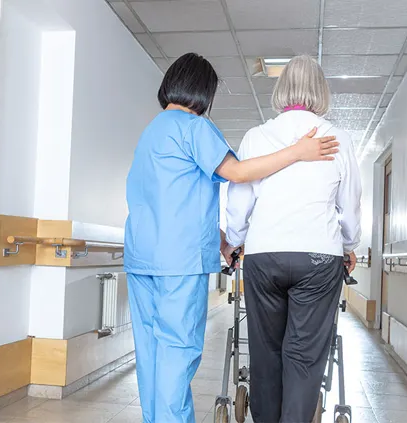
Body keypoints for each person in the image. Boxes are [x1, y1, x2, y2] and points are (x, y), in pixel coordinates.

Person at [124, 52, 340, 423]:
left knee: (151, 355)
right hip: (179, 264)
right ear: (203, 92)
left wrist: (224, 240)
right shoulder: (193, 127)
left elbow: (171, 202)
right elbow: (238, 173)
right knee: (177, 353)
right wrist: (298, 152)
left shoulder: (152, 132)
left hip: (141, 258)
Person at [224, 55, 362, 423]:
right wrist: (349, 245)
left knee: (266, 352)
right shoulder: (339, 138)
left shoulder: (256, 136)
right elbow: (349, 205)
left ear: (282, 89)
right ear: (322, 91)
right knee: (303, 357)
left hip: (264, 255)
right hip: (319, 257)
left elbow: (239, 199)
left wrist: (235, 240)